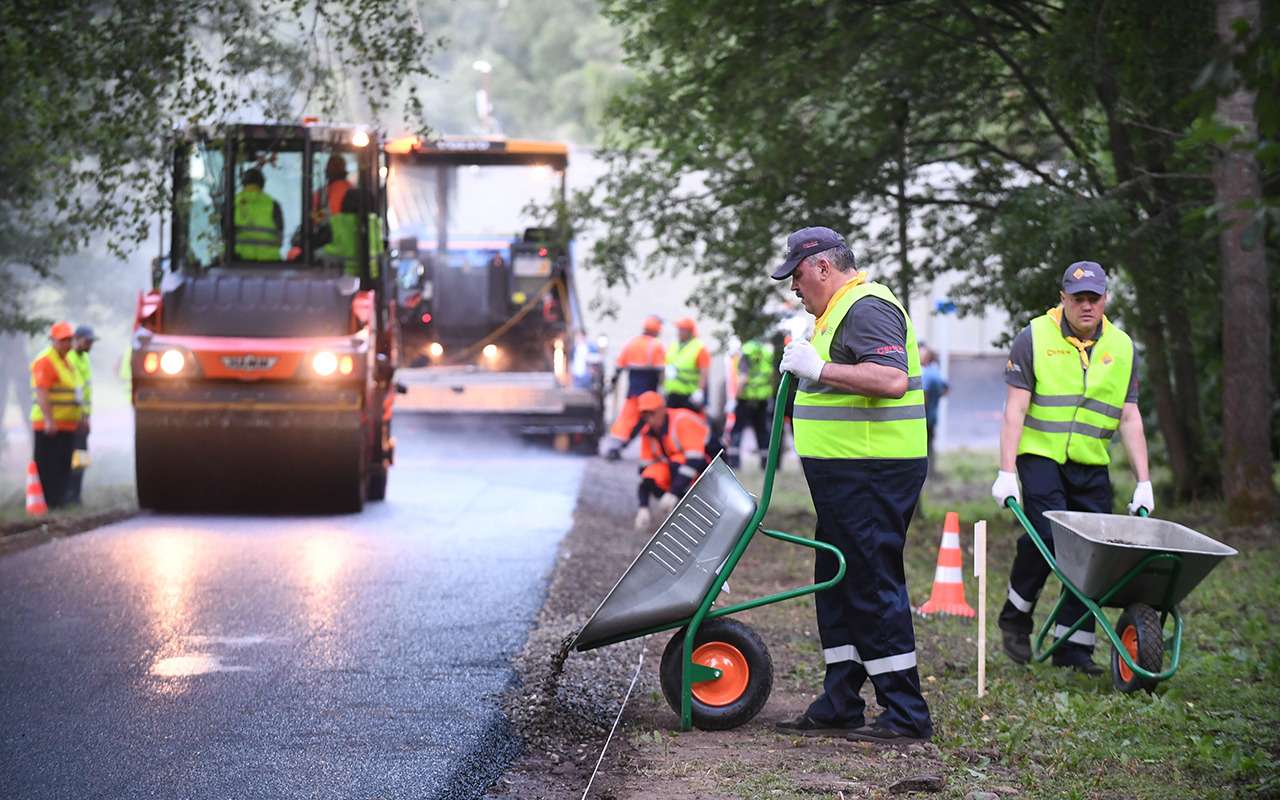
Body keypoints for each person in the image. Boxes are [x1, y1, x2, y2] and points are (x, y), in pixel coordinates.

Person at [770, 226, 933, 744]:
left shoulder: (866, 306)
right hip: (848, 474)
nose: (794, 287)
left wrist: (818, 369)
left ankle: (905, 712)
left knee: (869, 583)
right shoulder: (832, 313)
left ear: (823, 266)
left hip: (873, 471)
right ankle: (841, 700)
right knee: (838, 582)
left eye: (797, 275)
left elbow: (888, 380)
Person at [991, 261, 1151, 675]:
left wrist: (1144, 482)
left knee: (1095, 556)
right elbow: (1015, 410)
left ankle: (1074, 648)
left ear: (1105, 300)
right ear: (1063, 298)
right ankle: (1016, 615)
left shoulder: (1122, 347)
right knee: (1046, 536)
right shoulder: (1033, 337)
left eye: (1093, 298)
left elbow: (1130, 417)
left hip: (1090, 462)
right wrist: (1006, 470)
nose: (1086, 306)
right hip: (1040, 456)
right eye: (1077, 298)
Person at [632, 391, 710, 531]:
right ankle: (675, 509)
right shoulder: (648, 432)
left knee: (677, 463)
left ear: (662, 410)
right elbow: (645, 472)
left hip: (709, 463)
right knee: (655, 473)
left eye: (652, 413)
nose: (649, 419)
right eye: (645, 415)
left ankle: (689, 508)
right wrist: (643, 507)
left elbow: (695, 459)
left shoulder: (682, 420)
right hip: (682, 467)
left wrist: (673, 492)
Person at [29, 322, 84, 509]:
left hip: (67, 425)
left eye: (69, 340)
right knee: (48, 466)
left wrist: (81, 417)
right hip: (50, 426)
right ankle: (49, 503)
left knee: (64, 465)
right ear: (53, 341)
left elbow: (74, 393)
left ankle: (59, 502)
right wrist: (49, 420)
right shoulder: (45, 361)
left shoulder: (68, 362)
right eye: (62, 340)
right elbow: (42, 392)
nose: (66, 344)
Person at [604, 316, 666, 460]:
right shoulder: (656, 346)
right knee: (648, 420)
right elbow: (661, 370)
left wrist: (613, 383)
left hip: (633, 390)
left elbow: (619, 366)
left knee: (626, 419)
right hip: (649, 391)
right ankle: (656, 451)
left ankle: (615, 447)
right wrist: (663, 390)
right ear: (657, 330)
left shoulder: (632, 343)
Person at [726, 338, 776, 470]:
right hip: (762, 398)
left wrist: (734, 397)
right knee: (762, 430)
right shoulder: (766, 353)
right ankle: (765, 462)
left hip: (746, 398)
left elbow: (743, 377)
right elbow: (771, 377)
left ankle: (734, 462)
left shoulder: (745, 354)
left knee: (738, 429)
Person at [65, 325, 96, 504]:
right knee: (73, 457)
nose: (90, 344)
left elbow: (85, 393)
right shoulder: (69, 358)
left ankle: (76, 495)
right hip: (73, 419)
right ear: (76, 339)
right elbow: (74, 392)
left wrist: (87, 416)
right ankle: (70, 495)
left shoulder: (84, 358)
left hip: (82, 418)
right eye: (87, 341)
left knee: (82, 458)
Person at [233, 168, 284, 261]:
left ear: (243, 183)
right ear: (262, 184)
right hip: (270, 262)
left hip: (238, 261)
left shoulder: (232, 203)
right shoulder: (273, 204)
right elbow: (280, 239)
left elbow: (225, 234)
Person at [664, 318, 710, 411]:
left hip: (689, 394)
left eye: (681, 330)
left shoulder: (699, 348)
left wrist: (699, 391)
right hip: (672, 392)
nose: (678, 332)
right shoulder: (673, 345)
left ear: (689, 331)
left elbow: (704, 372)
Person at [919, 345, 949, 461]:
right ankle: (931, 470)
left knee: (923, 444)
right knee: (929, 443)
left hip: (924, 415)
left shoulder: (927, 374)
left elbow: (924, 394)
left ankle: (928, 472)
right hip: (932, 415)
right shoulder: (935, 372)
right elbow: (946, 388)